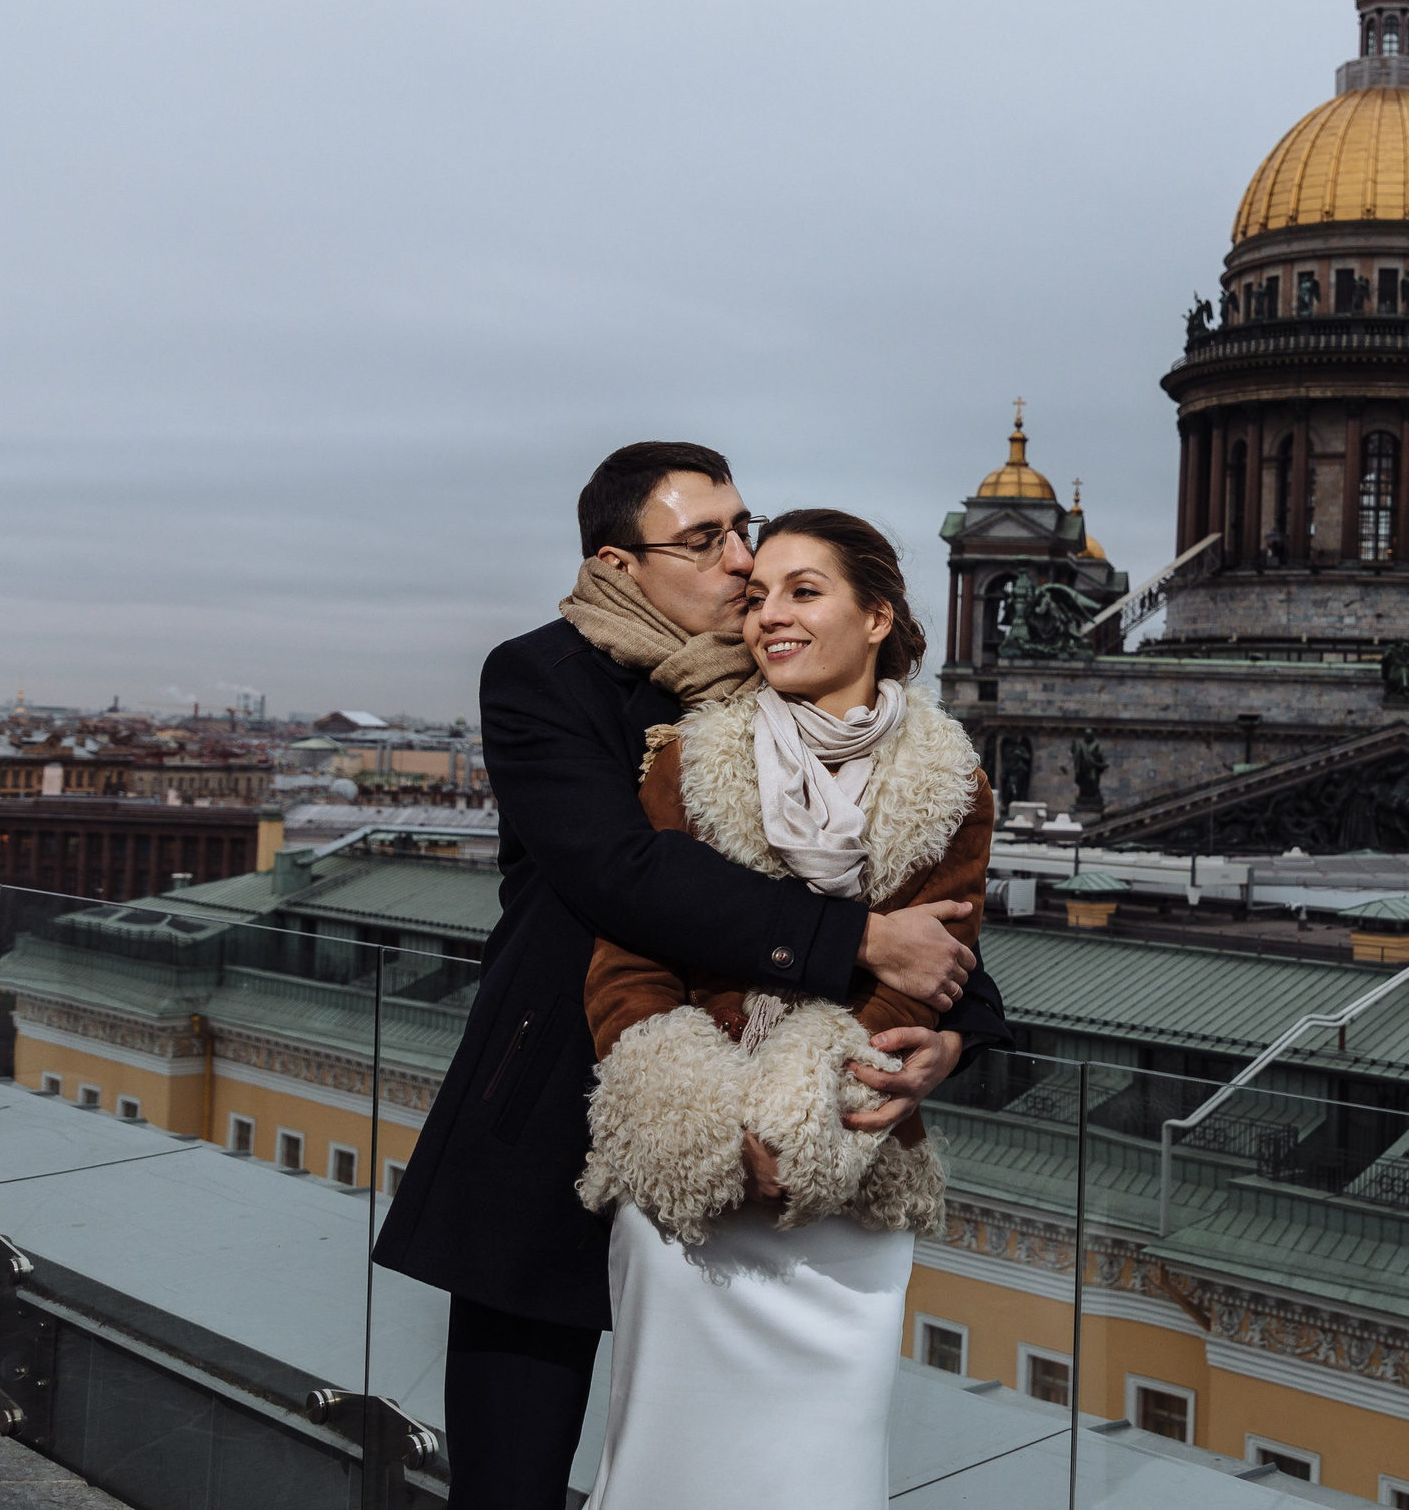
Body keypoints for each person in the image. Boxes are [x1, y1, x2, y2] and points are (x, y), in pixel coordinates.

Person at [371, 444, 1007, 1509]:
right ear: (622, 566)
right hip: (568, 1093)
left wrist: (959, 1028)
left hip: (756, 1111)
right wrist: (859, 940)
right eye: (705, 539)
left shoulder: (778, 681)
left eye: (742, 529)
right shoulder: (541, 675)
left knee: (721, 1457)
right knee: (514, 1470)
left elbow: (928, 891)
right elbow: (624, 874)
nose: (739, 559)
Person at [576, 508, 991, 1508]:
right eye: (758, 597)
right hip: (690, 1178)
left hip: (847, 1170)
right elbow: (631, 961)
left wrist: (803, 1129)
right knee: (664, 1466)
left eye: (804, 592)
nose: (769, 616)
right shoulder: (686, 758)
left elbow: (929, 972)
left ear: (879, 615)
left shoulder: (950, 781)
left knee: (820, 1474)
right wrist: (713, 1125)